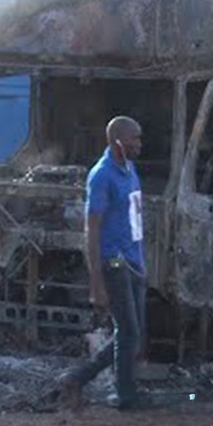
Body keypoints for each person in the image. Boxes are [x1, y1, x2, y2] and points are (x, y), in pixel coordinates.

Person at [57, 116, 147, 410]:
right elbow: (91, 229)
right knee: (129, 331)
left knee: (133, 333)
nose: (139, 144)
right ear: (118, 141)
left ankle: (78, 378)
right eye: (134, 138)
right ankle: (124, 393)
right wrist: (96, 281)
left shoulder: (129, 169)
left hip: (133, 262)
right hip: (114, 263)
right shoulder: (102, 176)